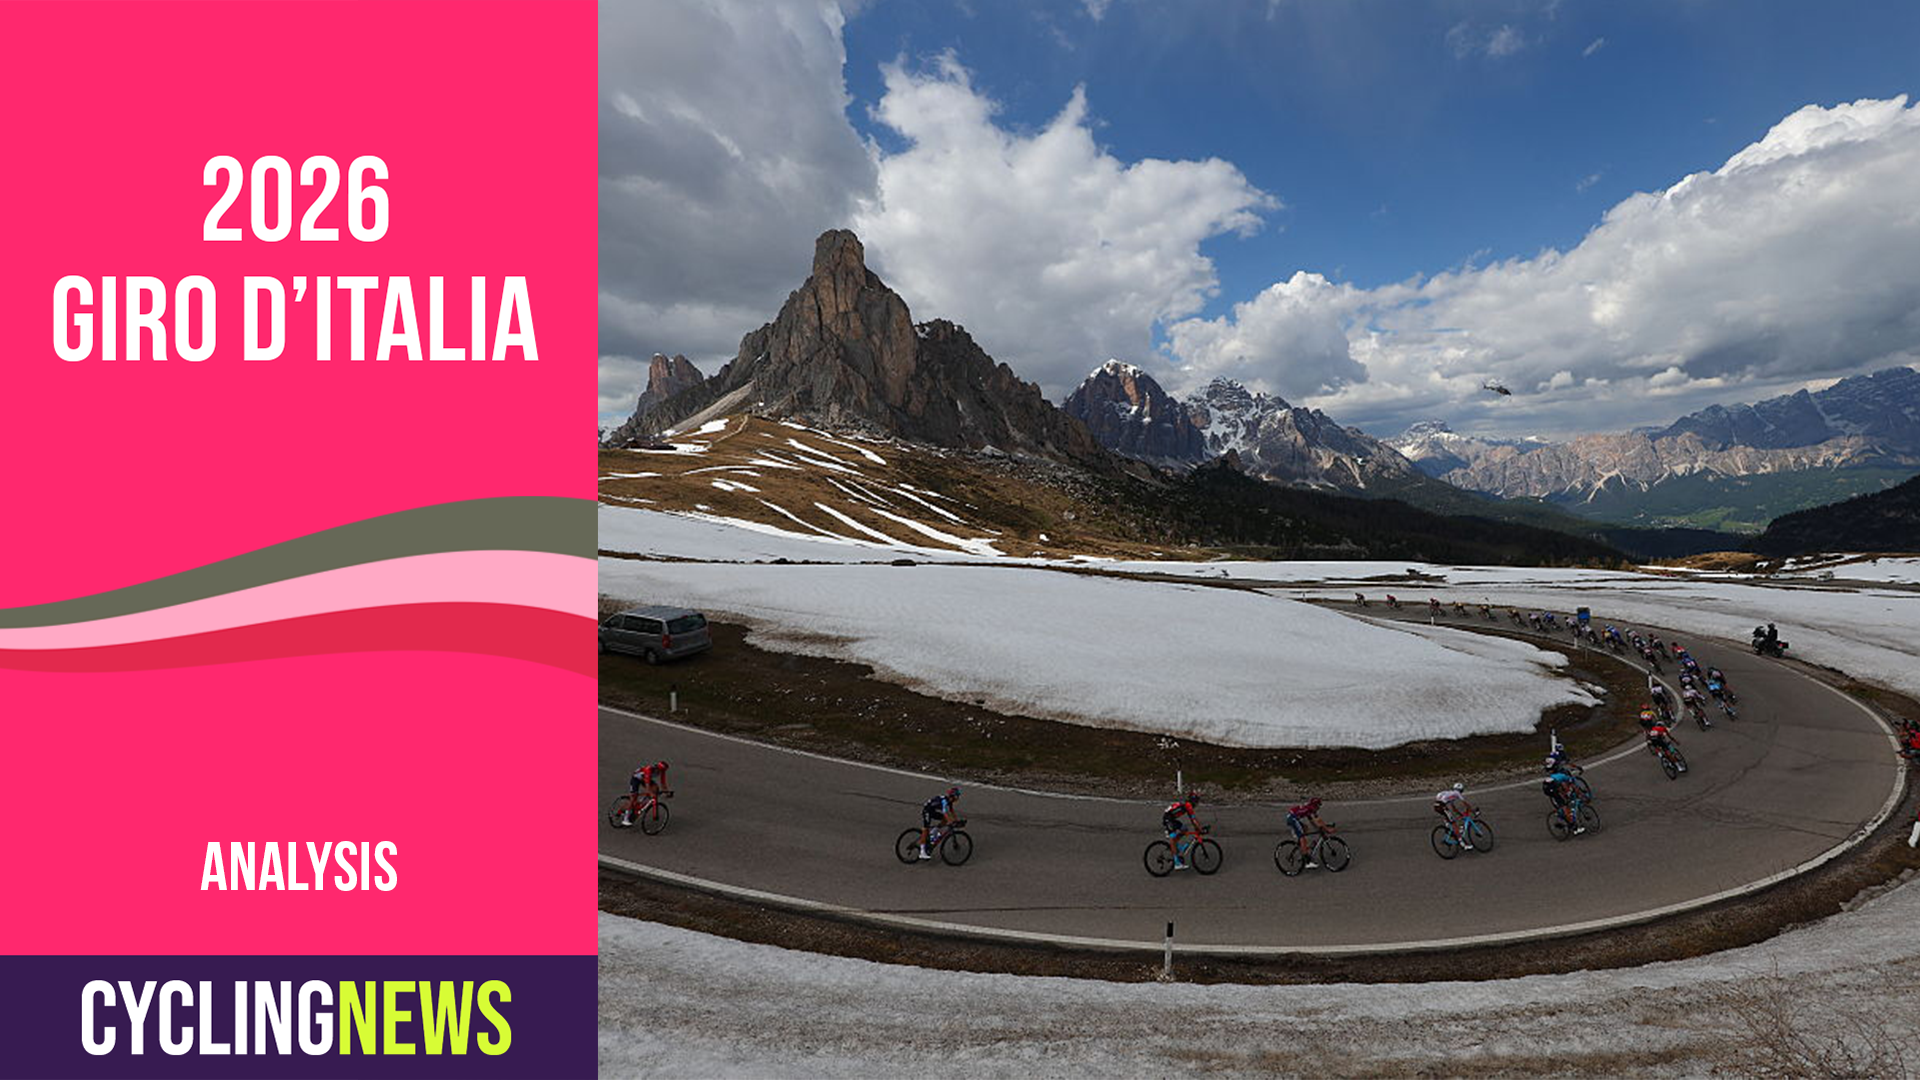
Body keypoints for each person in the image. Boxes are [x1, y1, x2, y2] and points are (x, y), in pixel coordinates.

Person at [918, 786, 961, 860]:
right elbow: (945, 813)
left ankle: (934, 830)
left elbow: (951, 811)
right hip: (927, 811)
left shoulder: (950, 801)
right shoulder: (945, 801)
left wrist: (957, 820)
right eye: (957, 796)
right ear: (954, 796)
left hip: (932, 810)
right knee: (926, 829)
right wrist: (951, 822)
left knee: (945, 819)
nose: (958, 798)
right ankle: (922, 852)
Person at [1162, 790, 1201, 870]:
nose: (1197, 804)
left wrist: (1197, 827)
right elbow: (1193, 819)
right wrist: (1199, 828)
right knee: (1172, 838)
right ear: (1194, 801)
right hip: (1168, 819)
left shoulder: (1187, 804)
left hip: (1171, 818)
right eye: (1197, 802)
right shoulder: (1188, 806)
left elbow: (1192, 819)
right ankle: (1177, 863)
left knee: (1184, 829)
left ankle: (1178, 847)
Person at [1287, 797, 1332, 866]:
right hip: (1292, 818)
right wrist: (1327, 829)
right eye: (1318, 805)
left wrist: (1319, 828)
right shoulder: (1310, 808)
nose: (1319, 808)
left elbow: (1312, 822)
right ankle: (1307, 861)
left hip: (1293, 817)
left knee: (1306, 829)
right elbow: (1318, 820)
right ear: (1315, 805)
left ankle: (1303, 849)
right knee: (1302, 837)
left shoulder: (1309, 808)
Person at [1542, 762, 1583, 834]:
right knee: (1565, 805)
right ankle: (1574, 827)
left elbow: (1563, 787)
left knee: (1563, 800)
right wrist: (1578, 793)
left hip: (1547, 788)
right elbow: (1573, 786)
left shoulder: (1556, 775)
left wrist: (1566, 793)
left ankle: (1561, 814)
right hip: (1553, 788)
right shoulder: (1565, 777)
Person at [624, 760, 670, 825]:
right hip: (636, 779)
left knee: (655, 788)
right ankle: (625, 819)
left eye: (663, 770)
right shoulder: (649, 769)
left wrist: (667, 792)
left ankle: (643, 801)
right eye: (660, 770)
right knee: (633, 798)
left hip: (644, 779)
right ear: (657, 768)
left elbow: (663, 783)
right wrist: (650, 793)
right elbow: (647, 784)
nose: (661, 772)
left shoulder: (662, 771)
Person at [1433, 782, 1477, 849]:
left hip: (1437, 805)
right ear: (1461, 790)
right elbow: (1465, 803)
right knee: (1454, 824)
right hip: (1441, 806)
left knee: (1450, 819)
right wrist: (1473, 811)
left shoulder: (1451, 794)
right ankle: (1462, 844)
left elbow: (1454, 809)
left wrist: (1461, 814)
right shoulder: (1457, 793)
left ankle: (1448, 828)